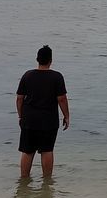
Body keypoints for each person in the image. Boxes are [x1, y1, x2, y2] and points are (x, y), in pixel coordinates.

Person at [16, 45, 70, 177]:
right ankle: (47, 182)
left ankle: (24, 180)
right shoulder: (57, 77)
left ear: (37, 59)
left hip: (29, 119)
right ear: (50, 60)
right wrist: (66, 116)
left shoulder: (27, 75)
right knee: (47, 150)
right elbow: (61, 99)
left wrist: (21, 116)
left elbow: (19, 99)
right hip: (48, 120)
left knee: (27, 151)